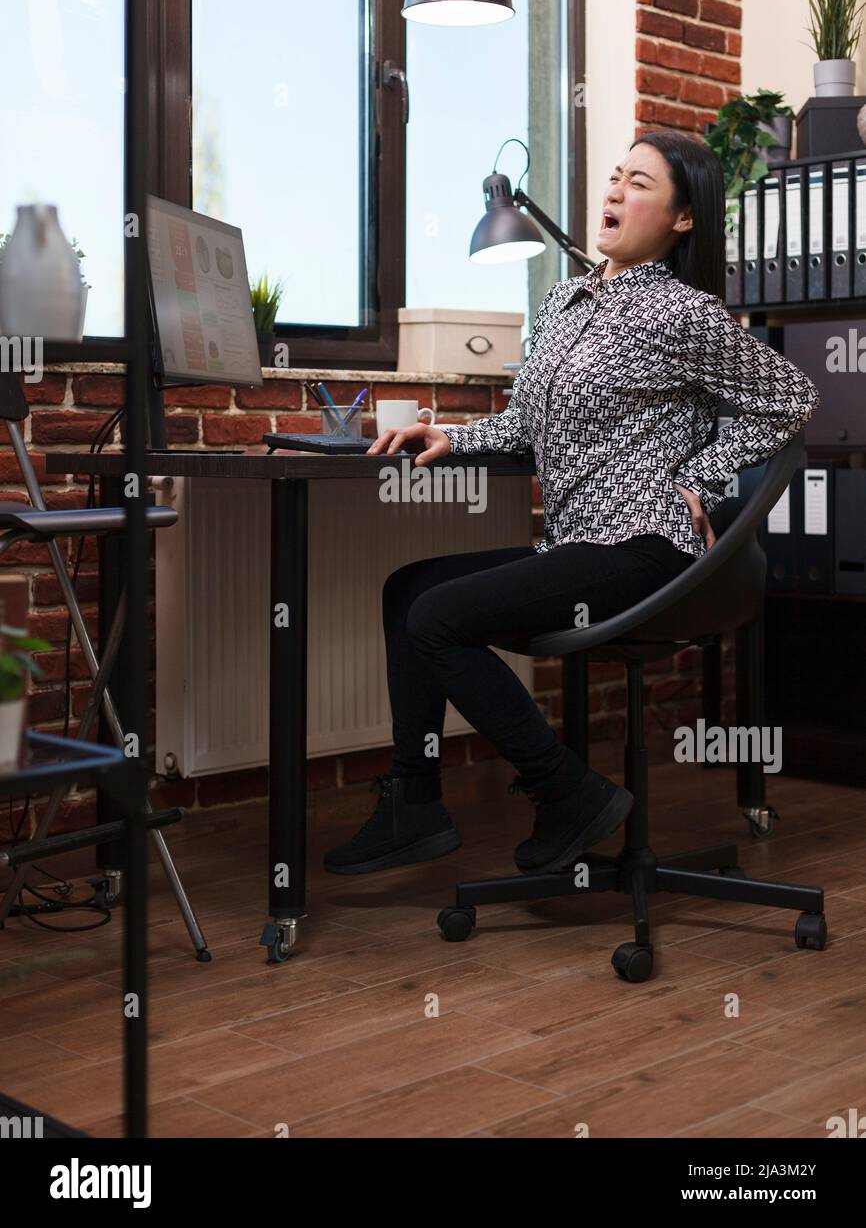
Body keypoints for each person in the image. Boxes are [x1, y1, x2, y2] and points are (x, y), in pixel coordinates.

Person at [323, 129, 821, 878]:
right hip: (578, 546)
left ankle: (566, 792)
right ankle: (414, 803)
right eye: (616, 176)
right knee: (409, 590)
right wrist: (451, 437)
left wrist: (703, 473)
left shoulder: (684, 314)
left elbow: (792, 399)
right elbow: (526, 419)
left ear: (683, 218)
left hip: (645, 549)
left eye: (640, 183)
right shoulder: (565, 300)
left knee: (438, 619)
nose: (615, 190)